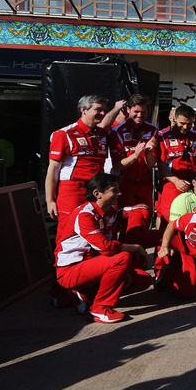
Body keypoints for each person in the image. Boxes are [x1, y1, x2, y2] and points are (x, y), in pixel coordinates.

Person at [54, 173, 152, 323]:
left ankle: (85, 294)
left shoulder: (110, 211)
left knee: (143, 280)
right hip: (70, 270)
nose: (119, 193)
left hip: (92, 266)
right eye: (114, 190)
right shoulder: (85, 215)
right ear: (97, 194)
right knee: (122, 258)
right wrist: (136, 247)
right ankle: (99, 309)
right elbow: (106, 248)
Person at [46, 95, 124, 243]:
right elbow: (53, 169)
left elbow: (107, 123)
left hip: (97, 191)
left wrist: (116, 108)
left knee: (98, 231)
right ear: (83, 110)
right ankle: (62, 265)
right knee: (68, 232)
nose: (102, 113)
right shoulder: (64, 134)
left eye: (104, 110)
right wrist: (50, 200)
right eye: (98, 110)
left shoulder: (101, 133)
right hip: (73, 190)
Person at [112, 94, 159, 242]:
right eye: (136, 112)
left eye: (143, 112)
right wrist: (135, 155)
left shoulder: (153, 130)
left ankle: (140, 259)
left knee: (143, 222)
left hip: (144, 184)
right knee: (123, 225)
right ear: (129, 111)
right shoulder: (117, 131)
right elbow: (117, 166)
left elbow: (151, 164)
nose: (139, 115)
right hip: (124, 184)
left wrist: (149, 152)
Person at [157, 105, 196, 222]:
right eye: (182, 123)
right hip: (173, 184)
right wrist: (176, 181)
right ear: (174, 119)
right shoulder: (164, 137)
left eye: (189, 123)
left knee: (194, 220)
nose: (185, 127)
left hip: (194, 185)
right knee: (170, 220)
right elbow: (161, 164)